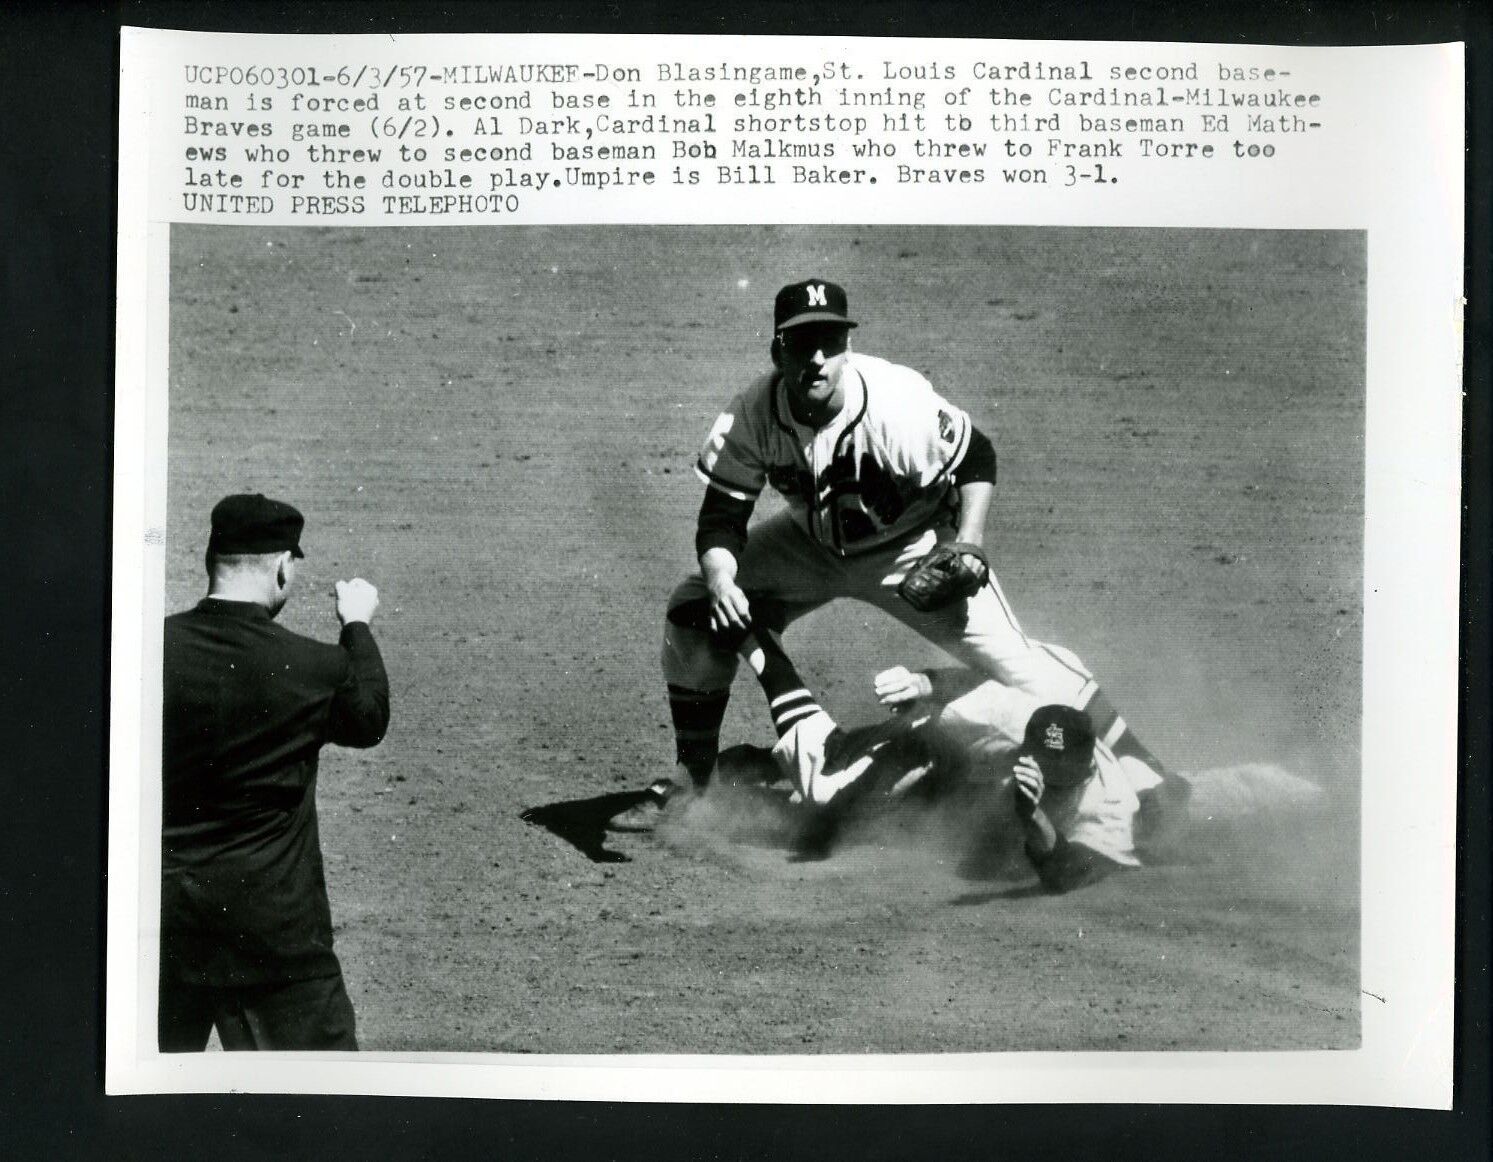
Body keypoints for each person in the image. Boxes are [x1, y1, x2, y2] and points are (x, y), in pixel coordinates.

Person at [611, 277, 1164, 831]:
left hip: (913, 548)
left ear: (848, 347)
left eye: (830, 341)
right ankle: (693, 781)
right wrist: (723, 578)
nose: (819, 358)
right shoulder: (753, 415)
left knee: (1026, 672)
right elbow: (721, 519)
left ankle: (1149, 772)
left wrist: (968, 542)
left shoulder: (899, 403)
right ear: (779, 350)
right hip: (810, 546)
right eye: (804, 344)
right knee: (693, 609)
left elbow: (976, 457)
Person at [159, 493, 390, 1051]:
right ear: (284, 566)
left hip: (162, 929)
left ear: (210, 560)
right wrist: (356, 625)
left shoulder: (146, 651)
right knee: (322, 1114)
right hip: (275, 938)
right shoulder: (314, 669)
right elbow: (369, 717)